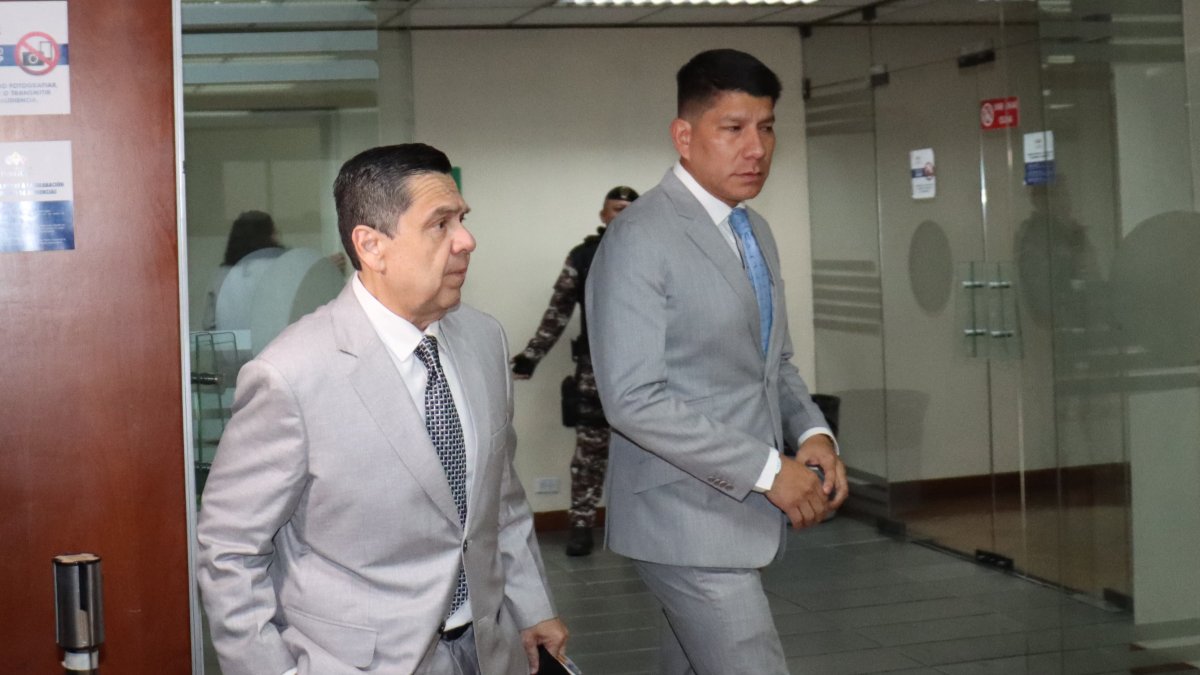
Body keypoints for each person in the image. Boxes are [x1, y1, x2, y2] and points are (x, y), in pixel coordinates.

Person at [198, 143, 568, 675]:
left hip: (491, 649)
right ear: (372, 246)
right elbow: (229, 551)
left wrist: (534, 607)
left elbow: (500, 496)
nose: (467, 240)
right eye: (441, 224)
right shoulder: (292, 374)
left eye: (462, 219)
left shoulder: (484, 340)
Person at [585, 49, 849, 674]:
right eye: (733, 128)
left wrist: (812, 432)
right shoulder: (639, 238)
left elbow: (773, 362)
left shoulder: (752, 228)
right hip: (682, 517)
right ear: (685, 135)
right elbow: (632, 400)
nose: (756, 147)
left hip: (731, 516)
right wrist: (767, 471)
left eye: (766, 126)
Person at [511, 185, 639, 557]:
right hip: (596, 372)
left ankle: (641, 528)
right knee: (589, 455)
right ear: (603, 215)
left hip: (650, 376)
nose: (623, 215)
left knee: (649, 454)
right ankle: (581, 526)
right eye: (617, 209)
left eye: (631, 209)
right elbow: (558, 310)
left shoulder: (659, 253)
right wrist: (530, 357)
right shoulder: (584, 257)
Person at [201, 210, 284, 331]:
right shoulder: (281, 268)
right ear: (269, 236)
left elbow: (208, 323)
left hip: (231, 348)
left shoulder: (222, 275)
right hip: (275, 346)